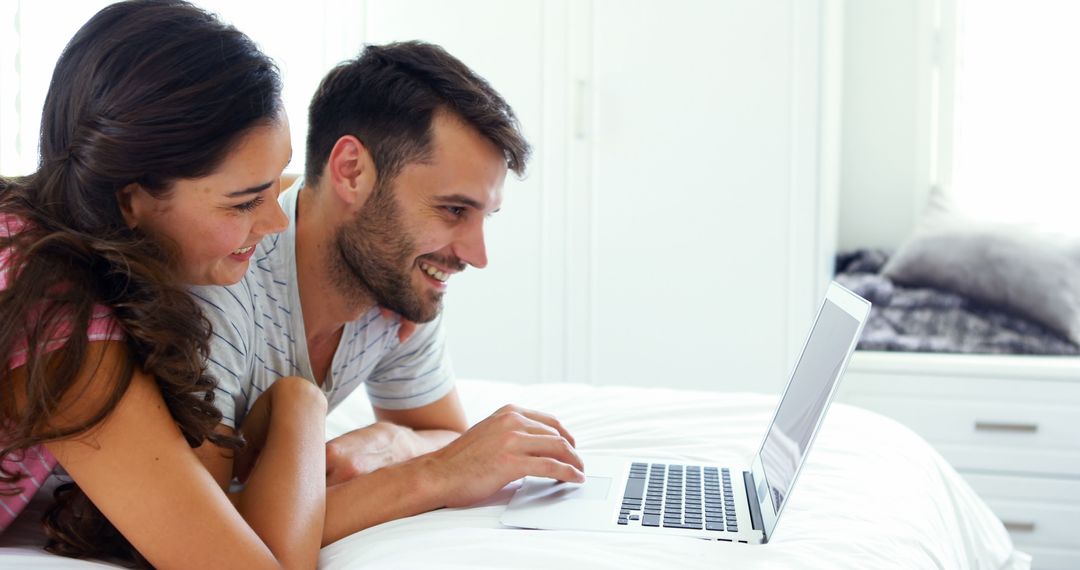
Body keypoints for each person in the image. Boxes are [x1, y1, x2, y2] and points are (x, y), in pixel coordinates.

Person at [192, 41, 585, 545]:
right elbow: (203, 536)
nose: (475, 254)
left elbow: (443, 432)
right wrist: (434, 476)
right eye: (453, 211)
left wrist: (391, 440)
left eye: (484, 216)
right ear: (352, 171)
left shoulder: (393, 282)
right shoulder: (223, 285)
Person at [0, 1, 326, 567]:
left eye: (276, 188)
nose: (276, 223)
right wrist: (303, 403)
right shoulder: (53, 309)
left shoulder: (39, 231)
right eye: (247, 200)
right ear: (130, 199)